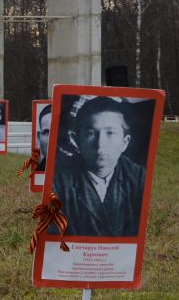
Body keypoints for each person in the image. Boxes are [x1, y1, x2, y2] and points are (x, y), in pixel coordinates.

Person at [52, 96, 146, 237]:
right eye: (90, 133)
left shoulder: (140, 179)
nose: (100, 143)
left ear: (125, 142)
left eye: (110, 133)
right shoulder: (56, 181)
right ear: (77, 140)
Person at [35, 103, 53, 171]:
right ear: (39, 138)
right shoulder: (37, 171)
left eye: (58, 131)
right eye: (47, 132)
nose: (52, 139)